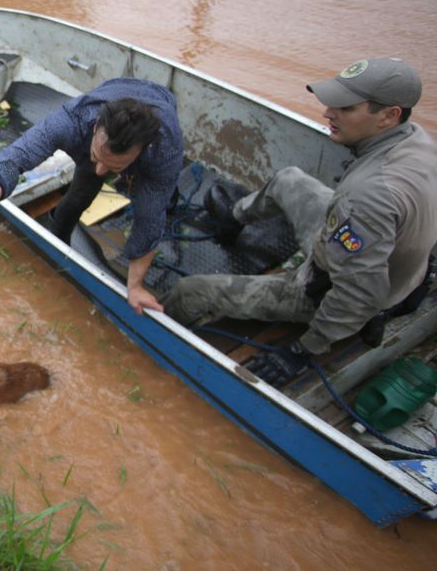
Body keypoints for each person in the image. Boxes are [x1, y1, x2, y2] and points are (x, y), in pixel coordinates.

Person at [163, 58, 437, 387]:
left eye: (345, 108)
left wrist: (303, 350)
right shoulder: (419, 141)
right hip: (378, 261)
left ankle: (154, 343)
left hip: (324, 287)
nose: (328, 114)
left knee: (188, 292)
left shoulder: (367, 199)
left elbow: (358, 295)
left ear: (389, 115)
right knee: (289, 180)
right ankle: (233, 219)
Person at [0, 78, 185, 314]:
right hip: (116, 92)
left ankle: (139, 180)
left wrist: (135, 287)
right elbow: (12, 160)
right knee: (78, 196)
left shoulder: (165, 150)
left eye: (113, 167)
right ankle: (57, 249)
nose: (101, 172)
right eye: (97, 157)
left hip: (159, 118)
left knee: (156, 204)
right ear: (95, 127)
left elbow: (149, 222)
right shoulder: (73, 120)